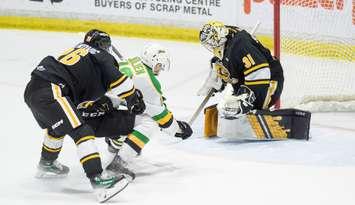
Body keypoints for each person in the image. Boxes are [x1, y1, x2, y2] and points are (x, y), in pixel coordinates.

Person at [24, 29, 145, 202]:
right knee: (82, 131)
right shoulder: (101, 56)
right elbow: (118, 80)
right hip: (52, 90)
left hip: (34, 89)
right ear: (103, 45)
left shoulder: (80, 52)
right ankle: (98, 180)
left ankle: (47, 164)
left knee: (57, 127)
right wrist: (133, 97)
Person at [88, 43, 193, 178]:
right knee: (149, 122)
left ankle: (115, 142)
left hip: (92, 104)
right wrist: (178, 130)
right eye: (159, 65)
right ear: (152, 61)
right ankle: (120, 162)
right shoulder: (148, 81)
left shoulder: (132, 61)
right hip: (99, 115)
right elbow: (160, 116)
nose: (160, 69)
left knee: (131, 110)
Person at [197, 21, 284, 118]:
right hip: (251, 81)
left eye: (211, 42)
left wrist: (248, 99)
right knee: (228, 107)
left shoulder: (240, 45)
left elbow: (260, 71)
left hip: (269, 81)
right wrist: (223, 75)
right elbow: (231, 61)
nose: (211, 46)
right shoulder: (228, 38)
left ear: (218, 39)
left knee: (233, 108)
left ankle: (258, 114)